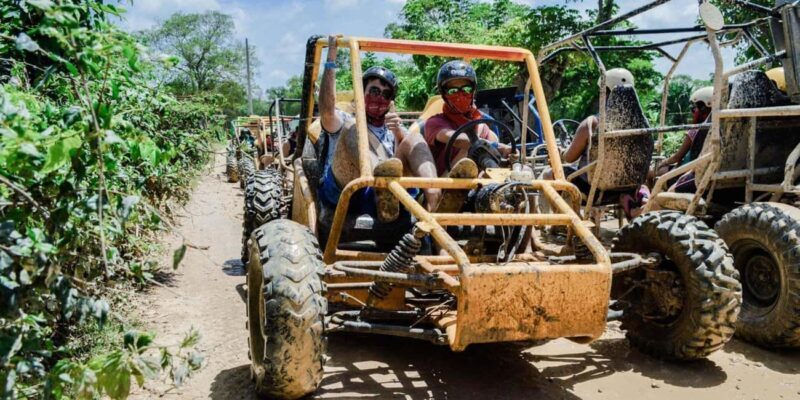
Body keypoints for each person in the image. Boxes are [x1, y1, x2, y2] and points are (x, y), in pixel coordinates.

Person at [317, 35, 440, 223]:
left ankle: (435, 199)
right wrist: (331, 58)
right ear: (362, 93)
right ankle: (382, 187)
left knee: (414, 139)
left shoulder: (395, 128)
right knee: (353, 127)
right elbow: (326, 110)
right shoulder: (345, 120)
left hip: (391, 194)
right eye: (374, 91)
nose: (379, 97)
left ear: (391, 101)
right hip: (349, 191)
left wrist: (399, 133)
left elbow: (406, 159)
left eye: (386, 94)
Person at [542, 68, 649, 218]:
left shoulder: (592, 123)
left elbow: (569, 158)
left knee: (548, 174)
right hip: (629, 188)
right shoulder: (643, 125)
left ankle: (569, 222)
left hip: (594, 190)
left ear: (606, 92)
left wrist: (560, 151)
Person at [424, 60, 513, 176]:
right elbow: (460, 140)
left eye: (466, 89)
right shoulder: (435, 123)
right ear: (444, 94)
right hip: (446, 184)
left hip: (479, 183)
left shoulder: (481, 125)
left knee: (523, 169)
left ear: (473, 91)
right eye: (453, 91)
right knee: (471, 146)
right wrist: (500, 147)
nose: (460, 95)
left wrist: (510, 155)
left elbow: (497, 151)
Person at [651, 86, 713, 180]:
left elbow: (677, 158)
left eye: (694, 108)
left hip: (685, 172)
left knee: (648, 172)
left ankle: (645, 194)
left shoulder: (695, 130)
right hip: (703, 171)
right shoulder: (716, 128)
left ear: (703, 108)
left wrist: (663, 163)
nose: (693, 112)